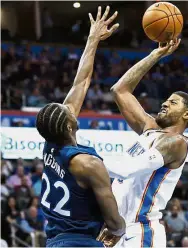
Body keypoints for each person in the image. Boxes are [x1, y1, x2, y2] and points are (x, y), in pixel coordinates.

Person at [36, 6, 125, 247]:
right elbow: (114, 222)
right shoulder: (87, 163)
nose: (69, 106)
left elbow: (81, 82)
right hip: (80, 242)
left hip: (55, 241)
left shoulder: (51, 143)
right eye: (66, 110)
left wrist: (92, 38)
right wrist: (119, 229)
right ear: (68, 126)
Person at [100, 38, 188, 248]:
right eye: (166, 100)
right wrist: (155, 55)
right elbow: (120, 90)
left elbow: (125, 170)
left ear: (187, 114)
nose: (165, 103)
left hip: (142, 231)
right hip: (116, 229)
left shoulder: (176, 143)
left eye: (173, 103)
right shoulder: (149, 129)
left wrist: (81, 157)